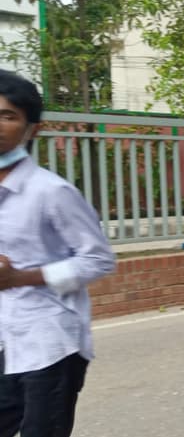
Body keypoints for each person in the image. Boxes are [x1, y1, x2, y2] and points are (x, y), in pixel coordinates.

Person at [0, 70, 116, 437]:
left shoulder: (50, 192)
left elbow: (98, 259)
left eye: (8, 116)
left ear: (32, 128)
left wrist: (23, 277)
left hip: (49, 341)